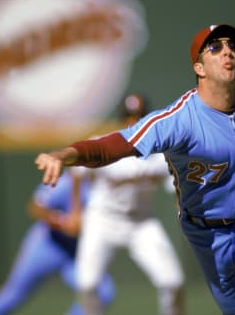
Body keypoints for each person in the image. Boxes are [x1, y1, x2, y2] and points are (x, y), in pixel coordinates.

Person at [34, 24, 235, 315]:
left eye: (233, 46)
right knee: (234, 310)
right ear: (199, 67)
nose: (227, 50)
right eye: (215, 47)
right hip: (206, 232)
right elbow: (115, 145)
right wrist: (64, 154)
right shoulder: (178, 121)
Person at [71, 93, 185, 315]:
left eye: (139, 116)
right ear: (121, 119)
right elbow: (76, 171)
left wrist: (182, 209)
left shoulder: (159, 154)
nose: (133, 122)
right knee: (87, 284)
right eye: (129, 116)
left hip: (140, 222)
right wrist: (75, 211)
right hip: (102, 219)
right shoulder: (104, 144)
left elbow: (177, 189)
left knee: (173, 282)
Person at [0, 171, 115, 315]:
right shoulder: (64, 183)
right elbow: (36, 208)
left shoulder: (103, 187)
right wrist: (62, 222)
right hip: (48, 245)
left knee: (101, 292)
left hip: (76, 253)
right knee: (12, 296)